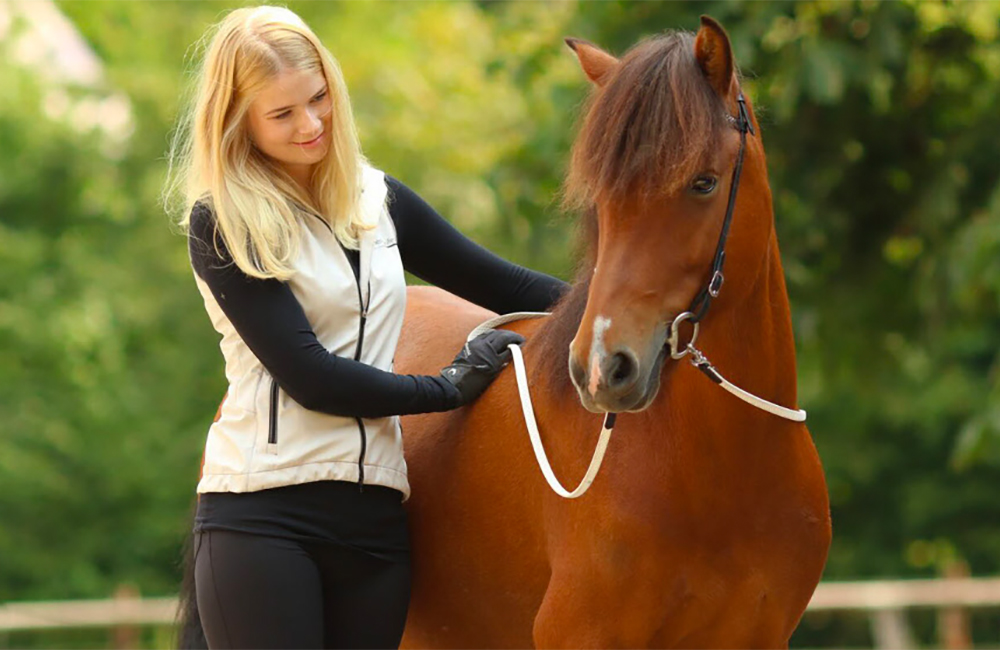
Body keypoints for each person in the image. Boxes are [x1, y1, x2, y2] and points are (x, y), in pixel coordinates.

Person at [163, 6, 568, 650]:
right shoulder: (223, 222)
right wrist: (452, 386)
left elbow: (511, 287)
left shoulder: (379, 201)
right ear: (239, 123)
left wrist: (625, 311)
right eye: (283, 113)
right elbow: (312, 378)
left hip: (376, 525)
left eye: (319, 98)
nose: (312, 124)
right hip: (264, 518)